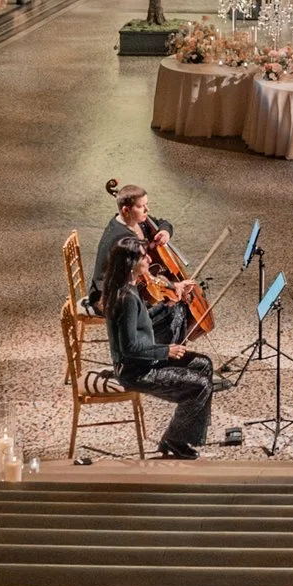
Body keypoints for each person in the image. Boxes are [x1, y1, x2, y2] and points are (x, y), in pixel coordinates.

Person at [101, 238, 215, 459]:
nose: (150, 259)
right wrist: (166, 351)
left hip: (146, 359)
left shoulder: (129, 289)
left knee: (205, 365)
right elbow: (129, 347)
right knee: (200, 385)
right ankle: (174, 440)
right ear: (131, 262)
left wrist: (166, 305)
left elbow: (143, 322)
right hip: (138, 371)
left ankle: (184, 433)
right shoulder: (126, 298)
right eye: (144, 256)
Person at [86, 179, 199, 343]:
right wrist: (173, 287)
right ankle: (153, 351)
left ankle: (161, 348)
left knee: (172, 303)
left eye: (146, 204)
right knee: (173, 307)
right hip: (109, 298)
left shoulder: (135, 221)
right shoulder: (122, 239)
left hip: (129, 287)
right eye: (141, 206)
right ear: (126, 210)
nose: (147, 209)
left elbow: (162, 223)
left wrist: (165, 232)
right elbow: (146, 279)